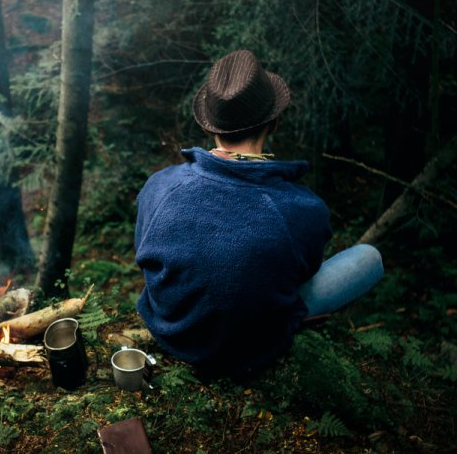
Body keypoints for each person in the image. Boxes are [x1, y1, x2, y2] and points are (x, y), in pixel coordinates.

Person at [134, 49, 384, 381]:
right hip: (254, 348)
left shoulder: (159, 186)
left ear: (211, 126)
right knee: (369, 257)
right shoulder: (304, 209)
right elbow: (302, 275)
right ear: (274, 121)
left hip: (173, 334)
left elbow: (145, 257)